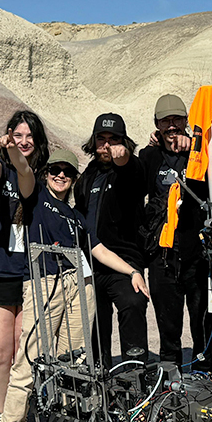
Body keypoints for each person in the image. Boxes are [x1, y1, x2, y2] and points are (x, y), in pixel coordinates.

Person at [2, 148, 97, 422]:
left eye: (68, 172)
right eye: (56, 170)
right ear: (47, 173)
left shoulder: (77, 216)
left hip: (78, 282)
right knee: (31, 357)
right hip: (44, 281)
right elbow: (24, 171)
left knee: (75, 360)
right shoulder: (37, 197)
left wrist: (131, 271)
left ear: (74, 179)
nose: (61, 175)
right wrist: (11, 149)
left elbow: (96, 248)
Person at [0, 111, 43, 422]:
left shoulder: (39, 176)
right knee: (0, 353)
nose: (24, 140)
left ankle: (22, 414)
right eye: (18, 135)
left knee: (24, 354)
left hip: (31, 275)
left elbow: (25, 174)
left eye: (29, 135)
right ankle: (0, 416)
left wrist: (13, 151)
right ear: (8, 136)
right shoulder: (0, 171)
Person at [139, 95, 210, 372]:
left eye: (176, 119)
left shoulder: (200, 152)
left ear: (186, 121)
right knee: (168, 327)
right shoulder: (149, 156)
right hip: (163, 256)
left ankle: (205, 377)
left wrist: (195, 145)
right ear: (156, 125)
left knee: (203, 323)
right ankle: (171, 384)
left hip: (197, 254)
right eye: (165, 121)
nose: (171, 126)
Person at [74, 113, 149, 363]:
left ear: (124, 141)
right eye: (101, 138)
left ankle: (135, 376)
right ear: (94, 142)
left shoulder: (132, 169)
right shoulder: (86, 178)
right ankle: (100, 377)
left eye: (114, 139)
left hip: (124, 262)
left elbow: (129, 168)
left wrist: (124, 156)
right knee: (94, 325)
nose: (107, 145)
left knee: (133, 302)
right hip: (92, 265)